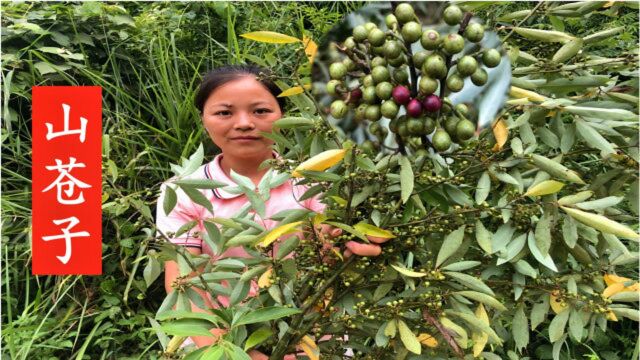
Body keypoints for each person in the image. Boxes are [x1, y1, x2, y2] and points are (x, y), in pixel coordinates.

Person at [156, 64, 390, 359]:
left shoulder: (314, 181)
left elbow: (327, 259)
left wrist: (352, 244)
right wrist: (232, 351)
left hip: (314, 336)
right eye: (224, 112)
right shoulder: (182, 191)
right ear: (204, 119)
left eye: (261, 111)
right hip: (223, 340)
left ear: (284, 117)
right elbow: (183, 286)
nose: (243, 123)